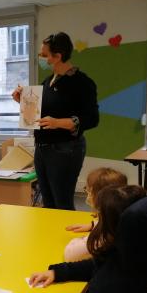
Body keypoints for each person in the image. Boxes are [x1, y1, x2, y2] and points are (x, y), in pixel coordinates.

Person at [12, 32, 99, 210]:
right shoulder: (47, 82)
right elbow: (39, 114)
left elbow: (92, 119)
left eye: (44, 55)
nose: (41, 58)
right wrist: (22, 100)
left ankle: (66, 237)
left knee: (62, 202)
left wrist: (57, 123)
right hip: (43, 148)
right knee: (49, 202)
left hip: (65, 149)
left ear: (58, 56)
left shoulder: (82, 83)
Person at [64, 168, 127, 261]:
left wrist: (79, 240)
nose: (87, 194)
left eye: (88, 190)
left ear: (98, 196)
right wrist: (93, 225)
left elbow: (70, 254)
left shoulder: (106, 235)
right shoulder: (118, 214)